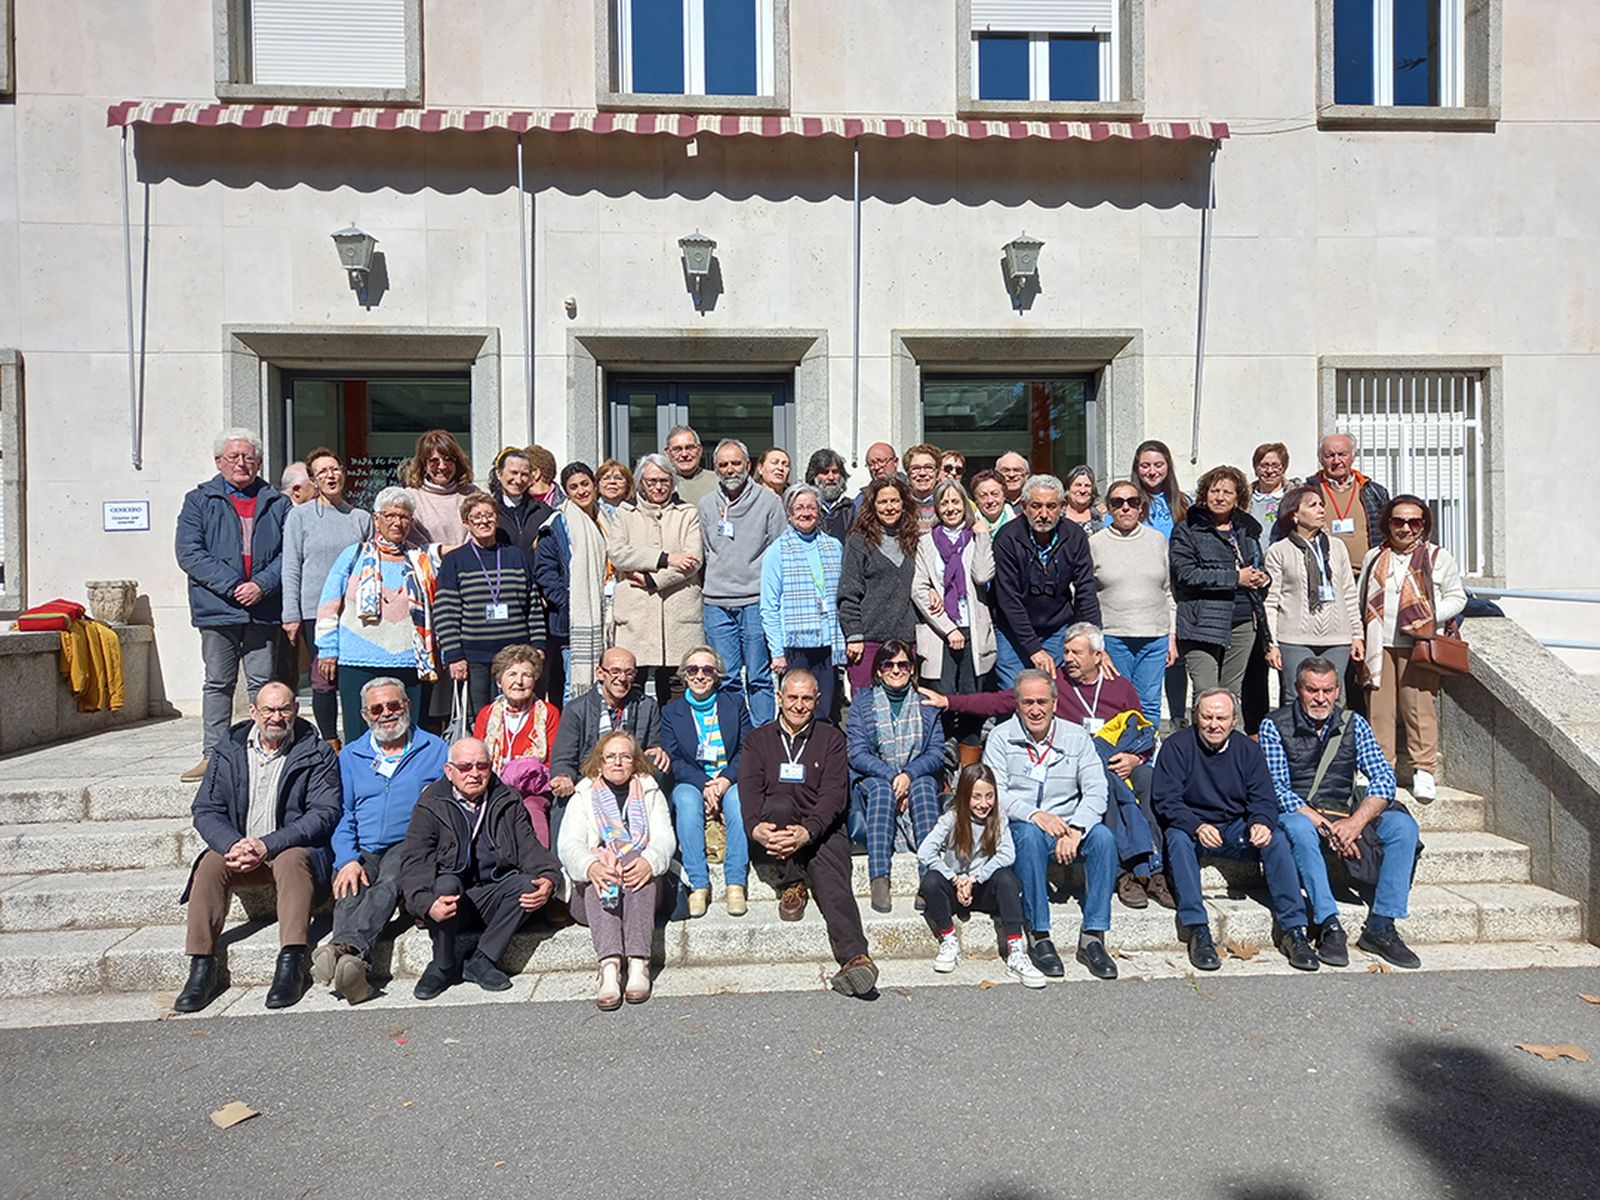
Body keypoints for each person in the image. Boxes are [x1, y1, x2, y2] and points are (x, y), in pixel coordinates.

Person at [937, 624, 1170, 908]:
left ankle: (1155, 870)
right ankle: (1125, 875)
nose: (1068, 658)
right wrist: (949, 701)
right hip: (1078, 770)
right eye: (1066, 651)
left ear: (1098, 656)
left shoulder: (1119, 686)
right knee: (1104, 784)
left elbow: (1142, 729)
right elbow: (1000, 702)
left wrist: (1136, 759)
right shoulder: (1052, 683)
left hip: (1122, 763)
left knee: (1149, 779)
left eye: (1076, 652)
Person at [173, 682, 341, 1013]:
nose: (276, 717)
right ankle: (201, 966)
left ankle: (291, 961)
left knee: (293, 861)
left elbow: (325, 812)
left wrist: (267, 845)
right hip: (239, 848)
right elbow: (206, 809)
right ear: (253, 712)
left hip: (289, 848)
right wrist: (232, 845)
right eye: (268, 710)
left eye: (284, 709)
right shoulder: (228, 750)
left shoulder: (316, 751)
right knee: (208, 864)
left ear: (296, 710)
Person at [1262, 656, 1423, 969]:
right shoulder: (1274, 725)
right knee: (1297, 828)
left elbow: (1384, 779)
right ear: (1298, 689)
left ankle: (1381, 925)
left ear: (1337, 691)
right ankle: (1328, 923)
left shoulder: (1354, 723)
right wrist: (1331, 828)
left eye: (1327, 690)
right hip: (1304, 816)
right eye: (1311, 690)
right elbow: (1277, 790)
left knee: (1403, 827)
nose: (1320, 698)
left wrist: (1356, 822)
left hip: (1346, 814)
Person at [1151, 688, 1319, 973]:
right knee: (1177, 839)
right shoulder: (1177, 746)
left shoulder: (1248, 750)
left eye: (1221, 718)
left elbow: (1264, 798)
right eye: (1207, 717)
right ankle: (1197, 929)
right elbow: (1165, 799)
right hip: (1194, 826)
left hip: (1235, 826)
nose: (1214, 724)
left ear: (1234, 720)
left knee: (1276, 838)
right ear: (1196, 717)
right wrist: (1196, 825)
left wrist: (1261, 822)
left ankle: (1294, 930)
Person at [743, 669, 879, 997]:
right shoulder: (758, 739)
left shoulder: (831, 738)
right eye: (793, 697)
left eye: (807, 698)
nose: (799, 705)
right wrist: (754, 827)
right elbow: (748, 788)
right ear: (779, 698)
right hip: (775, 828)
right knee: (775, 805)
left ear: (817, 701)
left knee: (834, 885)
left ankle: (855, 957)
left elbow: (835, 794)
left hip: (821, 828)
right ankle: (792, 882)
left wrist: (809, 831)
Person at [312, 679, 449, 1004]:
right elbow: (343, 813)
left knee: (388, 881)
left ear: (407, 706)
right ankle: (353, 968)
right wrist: (346, 859)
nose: (386, 713)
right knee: (349, 884)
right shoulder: (351, 755)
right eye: (377, 708)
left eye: (394, 705)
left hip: (411, 842)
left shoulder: (434, 749)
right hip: (364, 843)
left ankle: (343, 946)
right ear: (365, 714)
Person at [397, 736, 561, 999]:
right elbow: (415, 862)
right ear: (449, 772)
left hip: (492, 894)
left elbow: (529, 847)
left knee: (527, 884)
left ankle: (482, 959)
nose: (474, 773)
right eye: (465, 767)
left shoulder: (506, 798)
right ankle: (442, 964)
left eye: (481, 766)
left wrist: (548, 877)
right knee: (446, 884)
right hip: (451, 901)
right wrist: (426, 904)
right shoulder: (431, 804)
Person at [982, 669, 1117, 980]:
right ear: (1017, 704)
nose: (1035, 709)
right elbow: (995, 792)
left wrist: (1078, 828)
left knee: (1104, 839)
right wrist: (1033, 814)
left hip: (1070, 823)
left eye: (1042, 701)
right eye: (1027, 702)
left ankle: (1093, 936)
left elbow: (1097, 788)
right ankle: (1039, 934)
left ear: (1055, 703)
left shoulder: (1076, 736)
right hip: (1024, 823)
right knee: (1028, 837)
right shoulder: (1001, 738)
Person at [175, 428, 291, 782]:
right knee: (218, 682)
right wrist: (234, 586)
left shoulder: (277, 502)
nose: (242, 463)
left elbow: (291, 553)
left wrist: (261, 585)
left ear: (258, 461)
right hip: (217, 608)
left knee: (262, 684)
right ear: (218, 462)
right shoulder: (199, 500)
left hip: (263, 607)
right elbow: (189, 552)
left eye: (249, 457)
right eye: (234, 457)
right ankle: (213, 756)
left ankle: (265, 750)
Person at [1356, 494, 1467, 802]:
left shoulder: (1437, 557)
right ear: (1388, 524)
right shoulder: (1374, 557)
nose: (1405, 528)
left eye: (1413, 522)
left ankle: (1424, 770)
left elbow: (1457, 598)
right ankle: (1381, 771)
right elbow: (1359, 596)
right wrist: (1359, 636)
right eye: (1398, 521)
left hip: (1418, 643)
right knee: (1379, 711)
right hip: (1380, 644)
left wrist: (1428, 616)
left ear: (1423, 525)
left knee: (1418, 708)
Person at [559, 731, 677, 1009]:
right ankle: (610, 967)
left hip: (642, 891)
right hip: (592, 894)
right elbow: (569, 844)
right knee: (598, 868)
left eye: (625, 756)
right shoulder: (583, 794)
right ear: (599, 763)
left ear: (635, 762)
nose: (617, 763)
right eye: (610, 757)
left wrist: (649, 860)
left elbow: (664, 839)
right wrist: (592, 865)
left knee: (637, 859)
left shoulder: (649, 791)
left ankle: (638, 963)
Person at [315, 487, 440, 744]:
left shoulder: (421, 559)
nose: (398, 522)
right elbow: (329, 605)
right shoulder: (353, 555)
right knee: (359, 736)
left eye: (404, 517)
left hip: (409, 660)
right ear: (376, 519)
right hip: (358, 661)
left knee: (409, 735)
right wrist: (327, 649)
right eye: (390, 515)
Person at [915, 763, 1045, 988]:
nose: (983, 804)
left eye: (989, 796)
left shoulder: (999, 817)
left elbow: (1007, 854)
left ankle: (1015, 951)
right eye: (976, 797)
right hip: (954, 889)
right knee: (931, 880)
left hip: (982, 888)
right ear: (965, 796)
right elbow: (925, 852)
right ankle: (949, 939)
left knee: (1006, 878)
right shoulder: (951, 819)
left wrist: (976, 877)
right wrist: (955, 879)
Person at [280, 446, 373, 745]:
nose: (330, 476)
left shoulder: (360, 518)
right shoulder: (300, 517)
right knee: (323, 679)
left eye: (335, 469)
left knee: (352, 677)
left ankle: (360, 740)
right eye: (322, 472)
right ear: (313, 480)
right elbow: (291, 566)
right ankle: (330, 740)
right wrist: (290, 614)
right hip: (314, 610)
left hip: (354, 611)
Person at [847, 641, 946, 914]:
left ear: (912, 669)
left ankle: (930, 877)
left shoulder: (926, 704)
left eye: (903, 664)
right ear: (878, 670)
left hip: (916, 775)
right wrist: (893, 777)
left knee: (924, 787)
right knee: (881, 791)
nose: (895, 670)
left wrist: (909, 775)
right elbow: (856, 753)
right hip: (876, 775)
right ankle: (880, 876)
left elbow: (937, 752)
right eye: (888, 664)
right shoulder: (862, 702)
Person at [698, 438, 787, 726]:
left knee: (760, 677)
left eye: (735, 463)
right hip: (717, 603)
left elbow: (778, 552)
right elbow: (705, 550)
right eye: (723, 464)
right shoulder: (707, 505)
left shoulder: (770, 502)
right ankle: (735, 738)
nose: (729, 469)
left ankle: (761, 739)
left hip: (755, 601)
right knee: (726, 677)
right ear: (715, 469)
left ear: (748, 466)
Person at [660, 646, 753, 918]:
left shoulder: (734, 703)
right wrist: (705, 783)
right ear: (684, 675)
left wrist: (724, 780)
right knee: (687, 802)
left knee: (737, 799)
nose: (700, 675)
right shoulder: (671, 712)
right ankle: (698, 883)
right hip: (692, 780)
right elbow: (674, 759)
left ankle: (735, 882)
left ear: (717, 676)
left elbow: (747, 748)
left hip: (729, 777)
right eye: (693, 670)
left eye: (707, 670)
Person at [606, 453, 704, 707]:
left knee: (677, 686)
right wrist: (665, 557)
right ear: (640, 483)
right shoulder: (625, 514)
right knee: (630, 681)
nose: (658, 487)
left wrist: (653, 580)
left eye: (664, 480)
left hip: (678, 614)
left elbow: (692, 561)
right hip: (637, 614)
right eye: (651, 481)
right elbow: (618, 553)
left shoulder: (687, 513)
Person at [912, 478, 995, 769]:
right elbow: (919, 589)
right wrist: (949, 628)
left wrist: (983, 536)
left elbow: (983, 576)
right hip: (941, 633)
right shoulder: (925, 542)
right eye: (944, 502)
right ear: (937, 507)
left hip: (974, 628)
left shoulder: (975, 537)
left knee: (972, 704)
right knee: (941, 702)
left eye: (956, 502)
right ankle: (943, 770)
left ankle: (969, 771)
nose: (950, 508)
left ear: (966, 505)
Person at [990, 473, 1102, 689]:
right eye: (1036, 506)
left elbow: (1086, 589)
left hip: (1056, 628)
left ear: (1062, 506)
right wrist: (1033, 648)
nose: (1043, 514)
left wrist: (1095, 641)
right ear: (1024, 506)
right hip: (1012, 630)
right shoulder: (1007, 538)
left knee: (1053, 692)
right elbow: (1008, 599)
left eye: (1051, 506)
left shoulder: (1074, 536)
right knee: (1013, 693)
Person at [435, 493, 541, 716]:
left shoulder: (515, 556)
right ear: (466, 523)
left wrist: (538, 644)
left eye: (489, 515)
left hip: (516, 655)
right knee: (480, 717)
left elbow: (533, 604)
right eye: (476, 517)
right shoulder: (455, 561)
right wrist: (454, 655)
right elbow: (446, 612)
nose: (484, 521)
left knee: (517, 713)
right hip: (475, 658)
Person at [1170, 464, 1270, 701]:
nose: (1220, 497)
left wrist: (1263, 577)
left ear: (1237, 499)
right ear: (1204, 495)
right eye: (1214, 491)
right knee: (1206, 693)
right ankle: (1198, 739)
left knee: (1230, 694)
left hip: (1243, 621)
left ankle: (1229, 739)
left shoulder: (1246, 529)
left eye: (1227, 492)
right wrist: (1236, 578)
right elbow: (1186, 575)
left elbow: (1257, 563)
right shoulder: (1188, 529)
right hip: (1201, 622)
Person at [1264, 485, 1363, 700]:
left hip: (1337, 638)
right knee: (1295, 696)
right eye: (1312, 505)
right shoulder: (1279, 551)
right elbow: (1270, 602)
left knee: (1331, 698)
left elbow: (1348, 593)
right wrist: (1271, 644)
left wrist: (1357, 634)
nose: (1321, 510)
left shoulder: (1337, 547)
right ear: (1295, 515)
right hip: (1294, 638)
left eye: (1321, 505)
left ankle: (1328, 736)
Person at [1091, 479, 1176, 729]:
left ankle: (1146, 758)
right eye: (1118, 502)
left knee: (1149, 704)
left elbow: (1169, 590)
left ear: (1141, 507)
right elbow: (1084, 594)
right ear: (1109, 508)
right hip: (1114, 637)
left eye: (1132, 502)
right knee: (1117, 702)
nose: (1125, 508)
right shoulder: (1096, 543)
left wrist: (1172, 635)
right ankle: (1117, 758)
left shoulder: (1158, 539)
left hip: (1155, 636)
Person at [547, 647, 670, 816]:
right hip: (588, 778)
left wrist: (657, 750)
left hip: (630, 776)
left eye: (629, 673)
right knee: (562, 799)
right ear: (600, 673)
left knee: (660, 768)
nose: (622, 678)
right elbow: (563, 756)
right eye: (615, 671)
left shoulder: (647, 706)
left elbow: (653, 745)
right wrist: (563, 775)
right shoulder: (576, 709)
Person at [760, 483, 846, 721]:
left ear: (819, 511)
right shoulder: (777, 551)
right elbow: (769, 605)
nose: (805, 513)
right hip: (794, 645)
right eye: (799, 508)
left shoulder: (834, 546)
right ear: (789, 512)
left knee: (825, 708)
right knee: (796, 709)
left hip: (827, 642)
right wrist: (777, 651)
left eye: (811, 507)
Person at [838, 475, 922, 694]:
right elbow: (848, 592)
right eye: (883, 502)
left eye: (894, 500)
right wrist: (854, 635)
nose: (889, 507)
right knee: (865, 705)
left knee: (903, 704)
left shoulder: (914, 539)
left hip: (906, 638)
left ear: (904, 503)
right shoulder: (859, 541)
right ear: (873, 506)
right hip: (868, 640)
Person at [533, 461, 609, 704]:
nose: (581, 491)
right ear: (566, 491)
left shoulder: (607, 519)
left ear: (594, 485)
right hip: (573, 622)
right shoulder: (558, 524)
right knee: (572, 688)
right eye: (573, 487)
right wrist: (569, 604)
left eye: (585, 484)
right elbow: (545, 571)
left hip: (607, 616)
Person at [473, 643, 562, 846]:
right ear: (499, 681)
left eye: (527, 675)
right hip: (492, 788)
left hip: (534, 791)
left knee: (531, 808)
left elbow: (552, 761)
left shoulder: (548, 713)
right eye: (512, 674)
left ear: (535, 680)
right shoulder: (487, 714)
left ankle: (540, 866)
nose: (519, 682)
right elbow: (478, 757)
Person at [1308, 433, 1391, 566]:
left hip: (1367, 574)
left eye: (1342, 454)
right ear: (1321, 459)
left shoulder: (1374, 492)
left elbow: (1388, 532)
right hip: (1325, 575)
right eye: (1330, 456)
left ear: (1353, 457)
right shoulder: (1308, 491)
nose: (1336, 461)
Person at [401, 429, 480, 548]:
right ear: (424, 465)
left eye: (448, 459)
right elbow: (413, 542)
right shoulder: (411, 497)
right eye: (434, 461)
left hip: (469, 563)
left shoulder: (473, 494)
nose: (442, 466)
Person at [489, 446, 555, 562]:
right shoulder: (489, 512)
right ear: (499, 473)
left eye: (524, 474)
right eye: (513, 473)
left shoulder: (544, 512)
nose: (518, 480)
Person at [1131, 439, 1188, 539]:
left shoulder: (1185, 502)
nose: (1152, 471)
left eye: (1158, 465)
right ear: (1136, 468)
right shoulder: (1125, 503)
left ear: (1168, 466)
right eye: (1145, 466)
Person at [805, 448, 854, 544]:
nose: (831, 477)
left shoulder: (852, 509)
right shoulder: (805, 509)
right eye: (825, 472)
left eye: (835, 472)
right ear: (814, 477)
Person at [1248, 442, 1299, 530]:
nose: (1270, 471)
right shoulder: (1244, 500)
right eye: (1264, 465)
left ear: (1283, 468)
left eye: (1275, 465)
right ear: (1256, 468)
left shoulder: (1295, 498)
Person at [665, 424, 718, 507]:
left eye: (690, 447)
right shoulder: (661, 484)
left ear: (700, 450)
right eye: (677, 449)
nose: (684, 454)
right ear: (667, 454)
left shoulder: (717, 482)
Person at [902, 442, 942, 531]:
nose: (922, 473)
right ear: (908, 474)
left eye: (928, 467)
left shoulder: (949, 502)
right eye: (915, 468)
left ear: (937, 473)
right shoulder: (901, 504)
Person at [969, 468, 1015, 537]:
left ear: (1004, 495)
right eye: (983, 496)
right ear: (976, 500)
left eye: (995, 494)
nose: (990, 500)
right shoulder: (968, 527)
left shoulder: (1018, 525)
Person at [523, 443, 564, 511]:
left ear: (536, 473)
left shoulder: (566, 505)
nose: (518, 478)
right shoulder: (515, 503)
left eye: (524, 471)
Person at [1063, 465, 1104, 532]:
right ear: (1068, 488)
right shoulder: (1058, 516)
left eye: (1087, 486)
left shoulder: (1101, 516)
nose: (1082, 490)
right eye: (1078, 485)